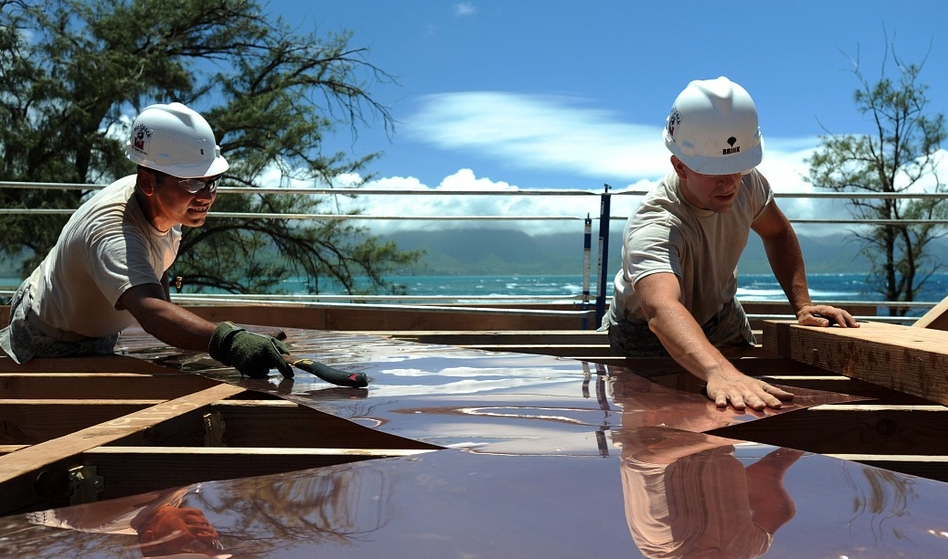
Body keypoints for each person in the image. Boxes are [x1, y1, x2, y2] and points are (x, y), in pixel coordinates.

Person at [0, 102, 332, 379]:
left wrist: (198, 335)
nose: (206, 195)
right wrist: (230, 342)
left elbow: (157, 280)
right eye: (192, 182)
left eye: (212, 182)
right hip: (47, 342)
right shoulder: (112, 229)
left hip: (93, 334)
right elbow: (152, 311)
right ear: (147, 181)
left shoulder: (167, 204)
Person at [600, 76, 859, 411]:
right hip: (645, 335)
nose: (730, 184)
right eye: (715, 172)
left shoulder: (746, 183)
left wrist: (802, 305)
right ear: (680, 166)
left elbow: (777, 233)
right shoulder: (656, 225)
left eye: (738, 168)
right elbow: (661, 311)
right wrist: (718, 371)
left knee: (746, 412)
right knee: (662, 434)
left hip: (719, 316)